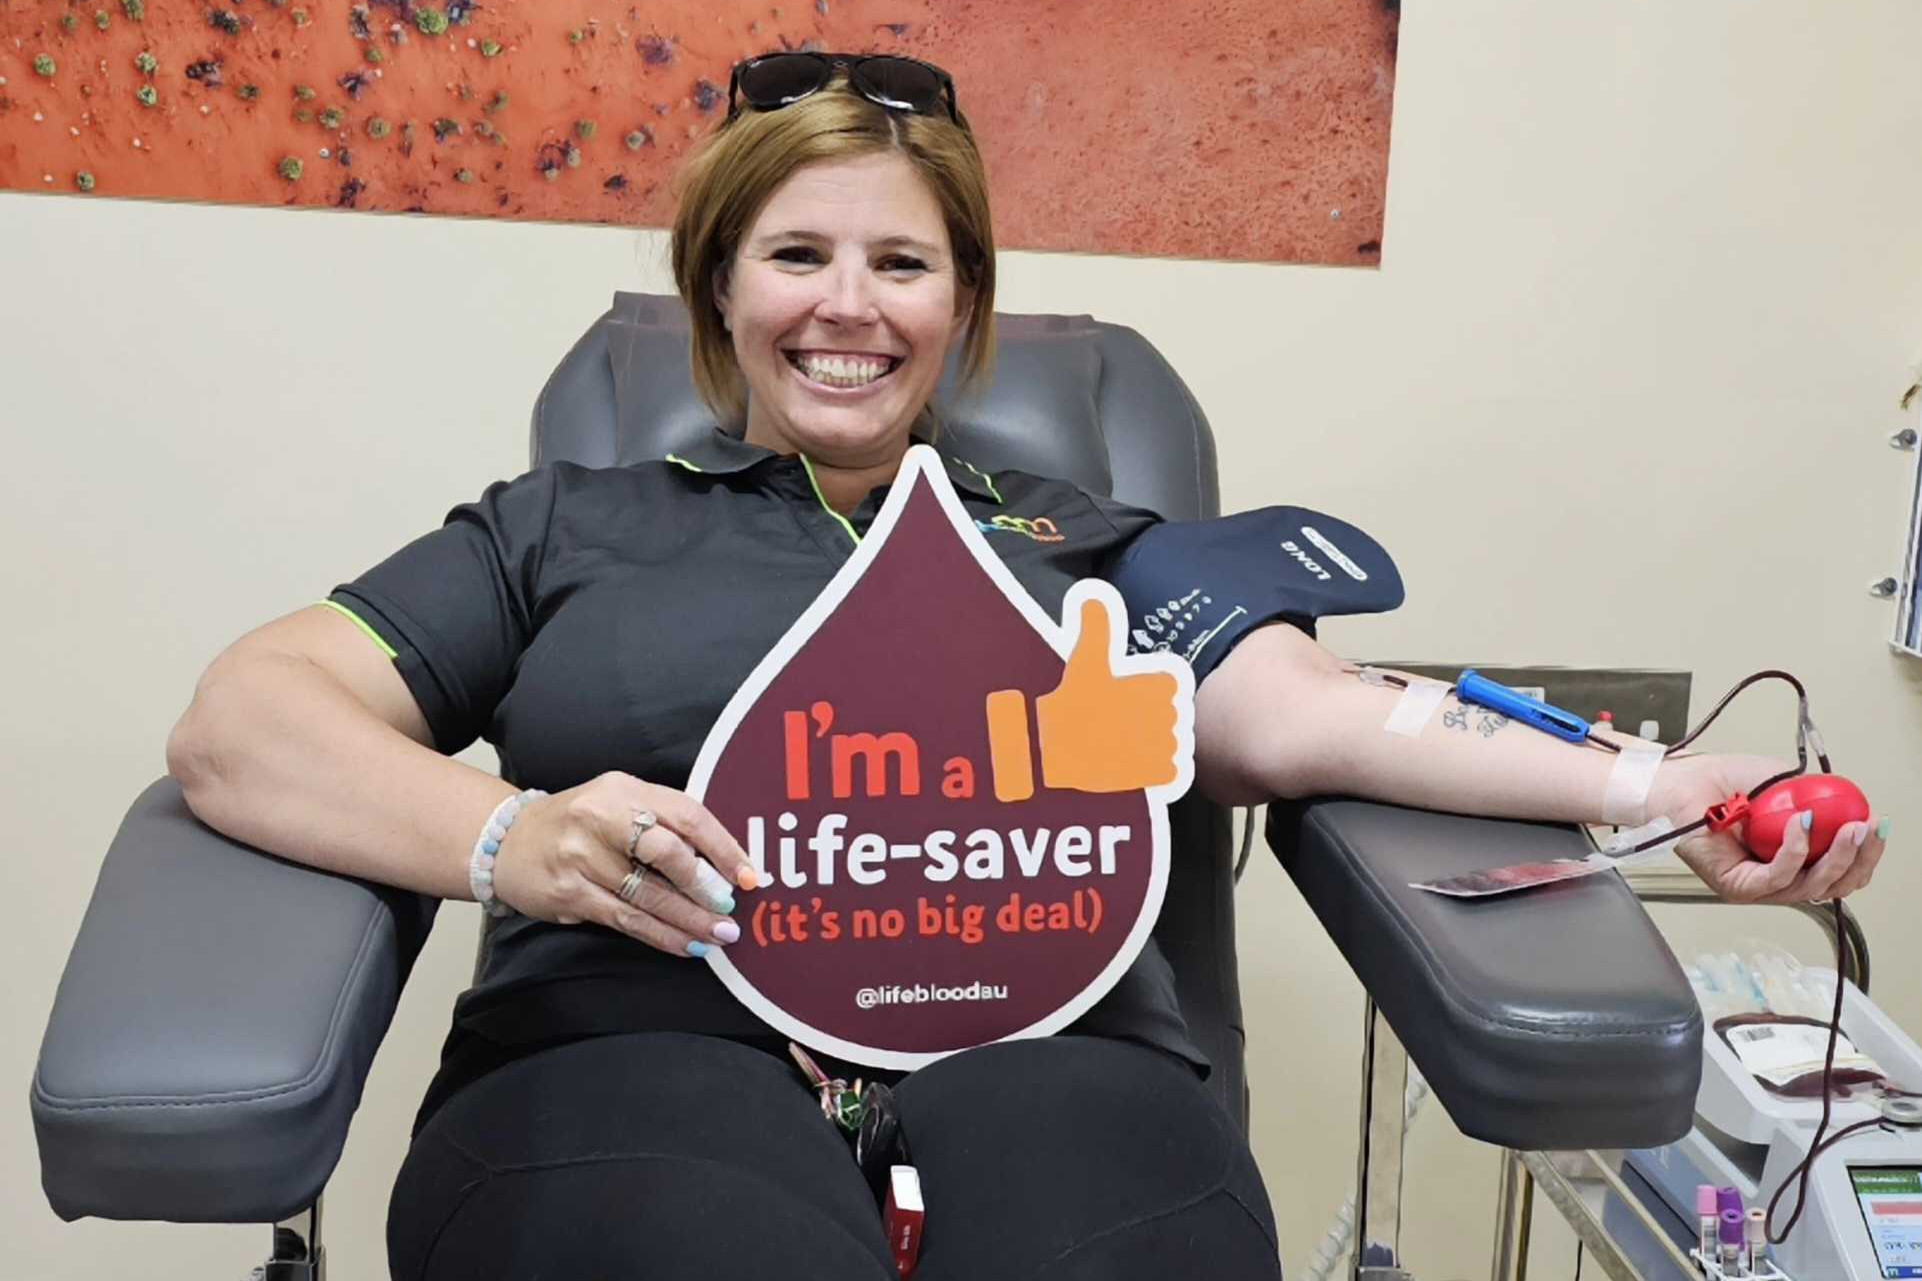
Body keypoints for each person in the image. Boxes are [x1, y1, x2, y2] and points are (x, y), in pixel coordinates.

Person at [164, 51, 1888, 1280]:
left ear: (960, 301)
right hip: (627, 1052)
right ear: (718, 288)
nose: (850, 305)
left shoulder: (1083, 540)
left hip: (1048, 1062)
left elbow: (1308, 716)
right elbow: (246, 719)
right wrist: (508, 839)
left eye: (902, 262)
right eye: (797, 254)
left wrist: (1663, 792)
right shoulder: (563, 528)